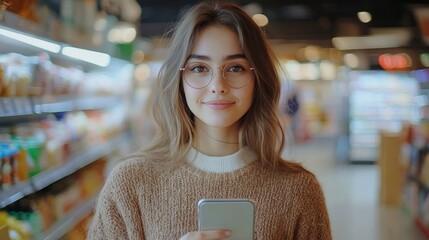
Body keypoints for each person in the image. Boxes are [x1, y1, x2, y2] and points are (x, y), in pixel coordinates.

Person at [87, 1, 331, 239]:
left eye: (235, 68)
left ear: (259, 80)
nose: (217, 86)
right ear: (179, 80)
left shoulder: (299, 190)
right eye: (199, 68)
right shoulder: (130, 183)